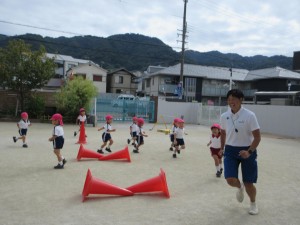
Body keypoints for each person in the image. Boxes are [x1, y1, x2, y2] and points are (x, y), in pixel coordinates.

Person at [220, 89, 261, 215]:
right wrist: (222, 148)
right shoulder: (224, 116)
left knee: (249, 182)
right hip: (230, 150)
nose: (231, 102)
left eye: (234, 99)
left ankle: (253, 204)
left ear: (241, 100)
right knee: (230, 179)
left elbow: (257, 137)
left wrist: (249, 151)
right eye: (229, 99)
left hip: (247, 149)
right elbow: (223, 133)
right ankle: (239, 187)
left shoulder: (250, 115)